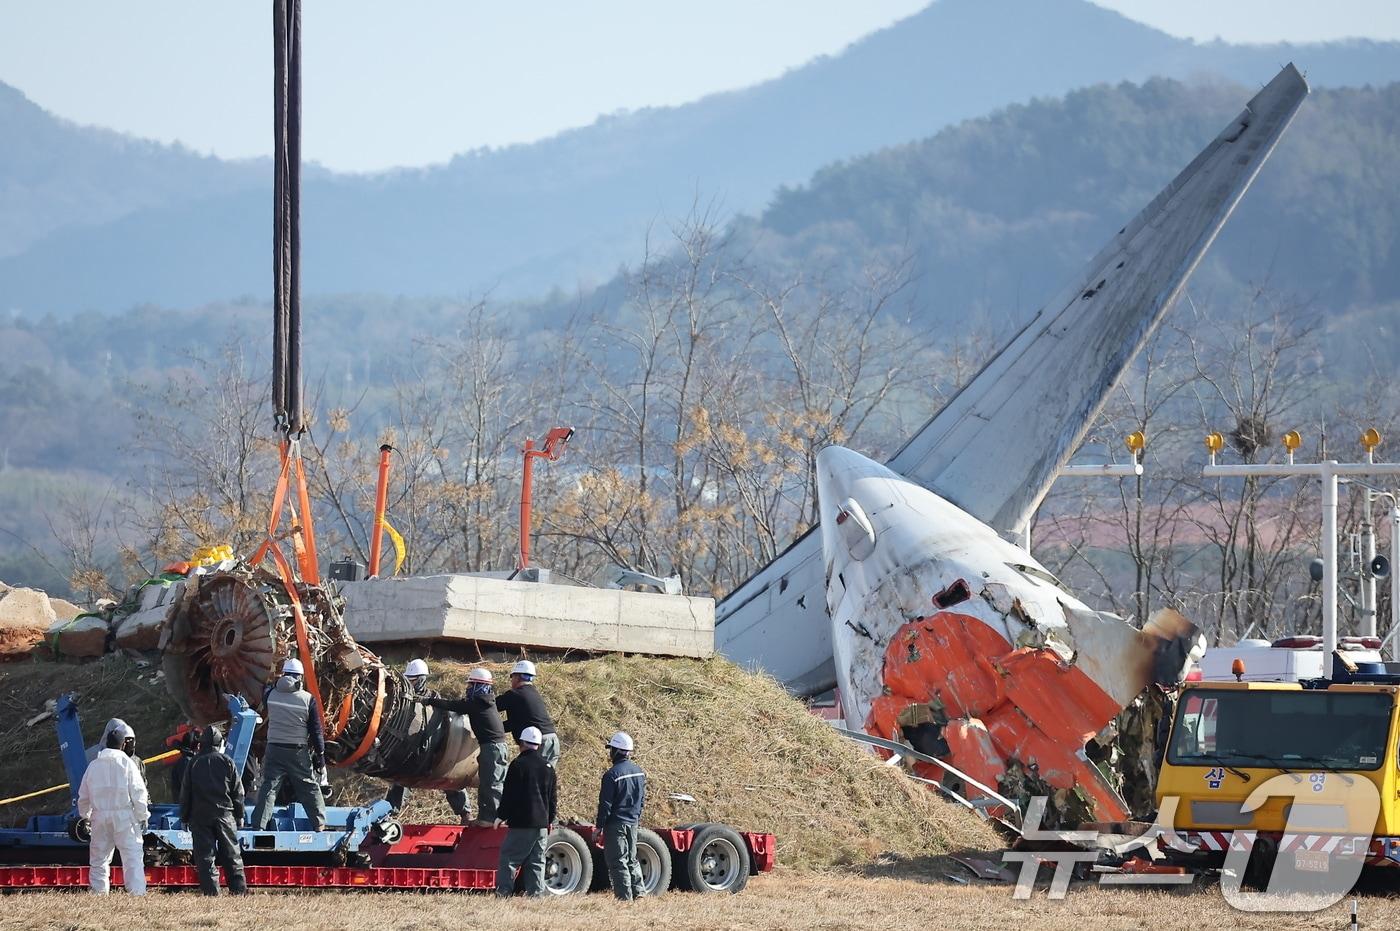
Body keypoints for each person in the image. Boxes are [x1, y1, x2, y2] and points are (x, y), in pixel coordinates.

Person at [384, 658, 472, 823]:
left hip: (434, 750)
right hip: (412, 752)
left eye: (413, 680)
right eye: (408, 680)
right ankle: (390, 814)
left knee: (451, 779)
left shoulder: (435, 699)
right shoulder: (403, 701)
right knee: (400, 781)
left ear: (422, 679)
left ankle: (465, 814)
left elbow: (448, 724)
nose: (410, 684)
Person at [425, 667, 508, 825]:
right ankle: (487, 817)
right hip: (494, 747)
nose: (467, 688)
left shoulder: (478, 703)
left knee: (491, 783)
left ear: (478, 685)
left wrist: (429, 701)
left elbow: (454, 706)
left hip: (492, 748)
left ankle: (491, 819)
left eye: (470, 685)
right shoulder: (486, 701)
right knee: (488, 782)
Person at [252, 657, 328, 831]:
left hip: (274, 749)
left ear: (284, 674)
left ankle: (259, 824)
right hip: (297, 751)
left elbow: (265, 694)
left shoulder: (270, 695)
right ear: (300, 677)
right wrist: (321, 756)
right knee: (308, 786)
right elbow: (316, 731)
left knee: (269, 786)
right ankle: (319, 824)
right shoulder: (308, 699)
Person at [77, 722, 149, 896]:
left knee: (99, 858)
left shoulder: (93, 766)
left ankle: (99, 893)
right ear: (124, 744)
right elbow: (139, 792)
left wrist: (85, 816)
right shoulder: (128, 764)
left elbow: (83, 795)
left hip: (99, 817)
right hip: (124, 816)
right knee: (132, 857)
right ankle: (136, 892)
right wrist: (143, 815)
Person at [178, 724, 248, 896]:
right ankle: (238, 891)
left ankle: (212, 893)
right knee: (232, 855)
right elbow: (238, 792)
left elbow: (185, 792)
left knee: (205, 856)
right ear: (219, 743)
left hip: (200, 816)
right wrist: (239, 815)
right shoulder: (227, 762)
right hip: (225, 815)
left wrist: (184, 817)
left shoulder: (193, 763)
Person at [494, 726, 557, 898]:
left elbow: (509, 795)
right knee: (536, 861)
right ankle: (536, 896)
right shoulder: (548, 767)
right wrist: (549, 819)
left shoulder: (518, 765)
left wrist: (501, 815)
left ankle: (503, 894)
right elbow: (552, 798)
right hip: (542, 824)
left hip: (522, 823)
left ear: (521, 742)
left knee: (509, 859)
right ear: (538, 744)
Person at [596, 731, 647, 901]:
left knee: (618, 861)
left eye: (611, 749)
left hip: (615, 824)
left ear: (617, 751)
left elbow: (605, 805)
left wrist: (599, 827)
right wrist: (636, 817)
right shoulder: (639, 772)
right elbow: (641, 800)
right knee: (632, 859)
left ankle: (624, 898)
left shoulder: (612, 775)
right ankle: (639, 893)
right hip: (633, 821)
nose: (610, 753)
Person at [495, 660, 560, 768]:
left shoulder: (515, 694)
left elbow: (491, 707)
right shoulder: (533, 693)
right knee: (545, 779)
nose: (512, 681)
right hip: (552, 740)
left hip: (538, 742)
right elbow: (515, 723)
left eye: (512, 677)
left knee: (533, 778)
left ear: (517, 677)